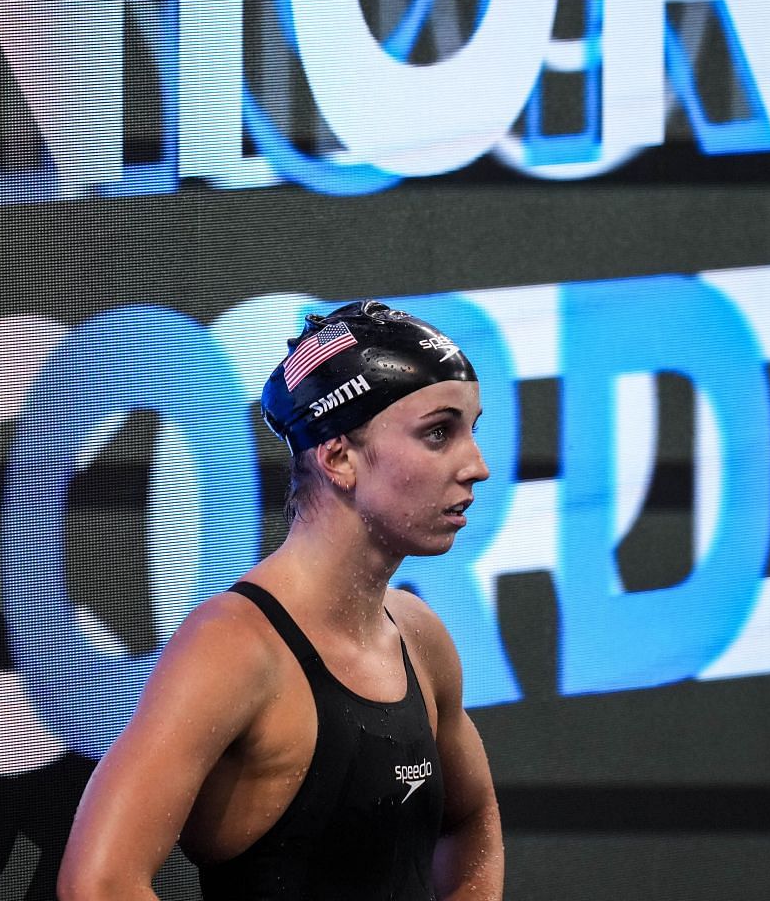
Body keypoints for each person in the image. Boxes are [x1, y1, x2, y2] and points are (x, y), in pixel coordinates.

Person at [57, 300, 503, 900]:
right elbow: (99, 883)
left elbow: (472, 819)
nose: (477, 465)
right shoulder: (234, 648)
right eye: (438, 433)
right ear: (339, 456)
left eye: (473, 429)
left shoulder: (419, 636)